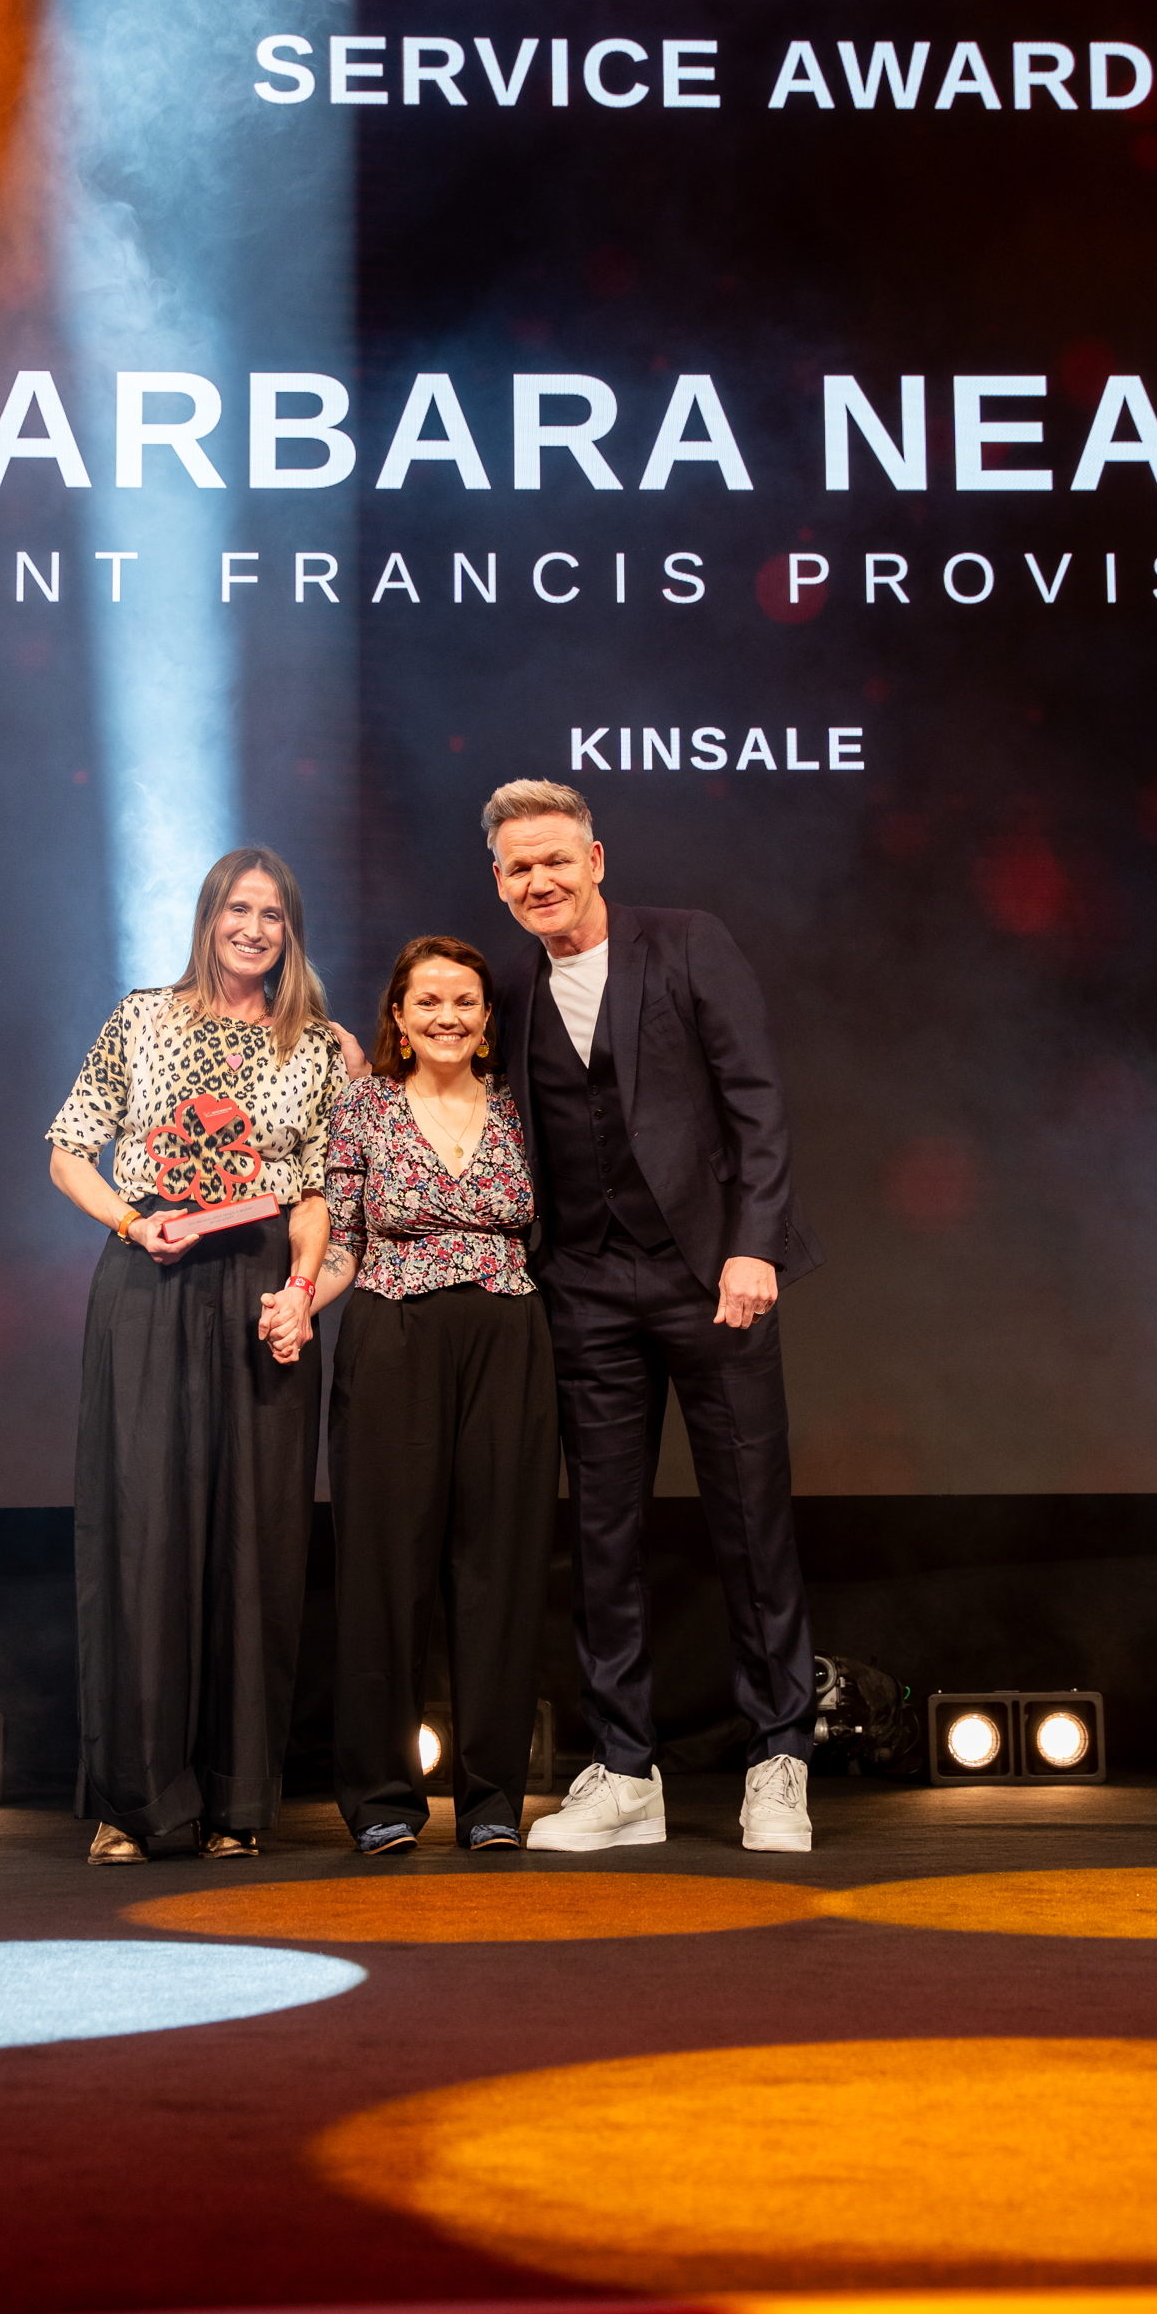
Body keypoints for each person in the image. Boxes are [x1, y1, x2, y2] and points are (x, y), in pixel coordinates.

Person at [484, 777, 820, 1853]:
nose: (538, 879)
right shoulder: (511, 988)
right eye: (516, 867)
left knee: (749, 1525)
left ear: (594, 859)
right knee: (601, 1536)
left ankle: (777, 1762)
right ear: (500, 886)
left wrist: (754, 1242)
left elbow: (755, 1101)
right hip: (583, 1288)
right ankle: (625, 1772)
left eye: (552, 858)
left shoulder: (685, 944)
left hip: (709, 1281)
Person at [47, 846, 363, 1864]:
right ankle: (132, 1803)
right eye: (239, 908)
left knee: (256, 1539)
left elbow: (316, 1189)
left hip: (260, 1283)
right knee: (144, 1531)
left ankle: (237, 1806)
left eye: (273, 914)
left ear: (290, 932)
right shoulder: (140, 1017)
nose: (253, 928)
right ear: (208, 916)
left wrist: (299, 1294)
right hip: (152, 1273)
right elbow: (68, 1148)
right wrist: (133, 1224)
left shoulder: (314, 1047)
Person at [307, 934, 558, 1856]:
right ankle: (380, 1800)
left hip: (508, 1336)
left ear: (488, 1022)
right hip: (393, 1331)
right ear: (400, 1020)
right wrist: (301, 1302)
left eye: (465, 1002)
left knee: (499, 1565)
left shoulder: (519, 1111)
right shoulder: (363, 1107)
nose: (448, 1017)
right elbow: (343, 1238)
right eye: (429, 1003)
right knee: (385, 1568)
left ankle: (491, 1798)